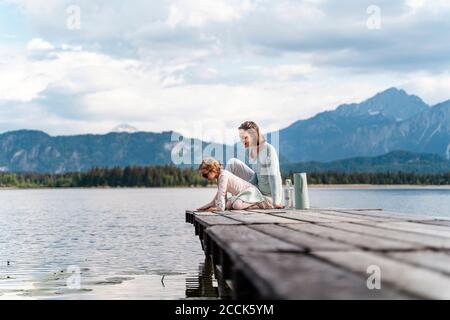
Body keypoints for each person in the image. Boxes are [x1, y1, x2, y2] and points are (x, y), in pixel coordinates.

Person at [226, 121, 284, 208]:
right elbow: (256, 175)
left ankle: (255, 203)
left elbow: (273, 177)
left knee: (236, 205)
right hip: (257, 190)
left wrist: (276, 202)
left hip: (269, 196)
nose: (243, 141)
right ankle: (222, 199)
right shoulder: (248, 151)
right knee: (232, 162)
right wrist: (244, 189)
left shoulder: (268, 149)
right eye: (241, 138)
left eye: (245, 138)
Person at [196, 158, 273, 212]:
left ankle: (256, 201)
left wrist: (219, 208)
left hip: (249, 191)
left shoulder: (223, 176)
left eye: (205, 175)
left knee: (236, 206)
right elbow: (222, 196)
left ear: (213, 169)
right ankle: (252, 203)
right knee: (229, 205)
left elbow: (222, 194)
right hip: (241, 195)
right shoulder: (219, 178)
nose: (205, 177)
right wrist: (207, 206)